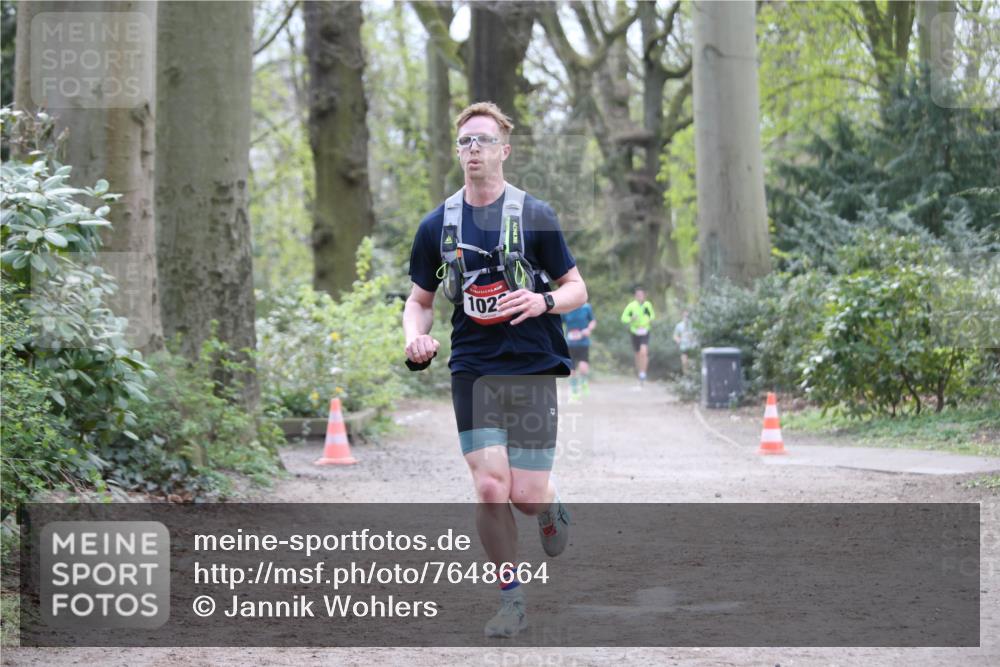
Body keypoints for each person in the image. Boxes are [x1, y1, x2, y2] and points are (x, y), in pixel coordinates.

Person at [403, 102, 587, 638]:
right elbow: (419, 300)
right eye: (465, 143)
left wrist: (544, 302)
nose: (473, 150)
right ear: (458, 152)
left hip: (531, 366)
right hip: (474, 368)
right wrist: (415, 336)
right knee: (489, 487)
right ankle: (512, 600)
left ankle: (552, 506)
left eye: (483, 141)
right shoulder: (438, 225)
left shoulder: (536, 216)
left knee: (525, 497)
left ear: (504, 150)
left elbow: (577, 287)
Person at [620, 286, 655, 386]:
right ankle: (640, 372)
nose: (639, 297)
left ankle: (643, 373)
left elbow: (652, 315)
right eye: (637, 295)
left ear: (644, 296)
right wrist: (631, 319)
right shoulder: (631, 306)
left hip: (645, 330)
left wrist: (649, 319)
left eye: (641, 295)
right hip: (634, 331)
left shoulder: (647, 305)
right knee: (637, 354)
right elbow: (623, 318)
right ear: (635, 296)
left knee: (644, 351)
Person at [561, 303, 596, 400]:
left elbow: (593, 321)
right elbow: (559, 323)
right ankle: (574, 391)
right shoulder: (566, 308)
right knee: (572, 369)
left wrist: (588, 329)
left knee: (583, 368)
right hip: (570, 344)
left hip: (583, 343)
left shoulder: (586, 307)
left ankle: (584, 381)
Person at [673, 309, 696, 374]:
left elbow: (696, 335)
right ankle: (686, 376)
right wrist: (678, 340)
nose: (686, 317)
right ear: (682, 316)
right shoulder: (679, 325)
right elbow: (675, 336)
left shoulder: (692, 325)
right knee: (684, 362)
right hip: (683, 346)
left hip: (692, 347)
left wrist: (693, 339)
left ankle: (692, 376)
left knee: (692, 363)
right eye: (684, 316)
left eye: (687, 316)